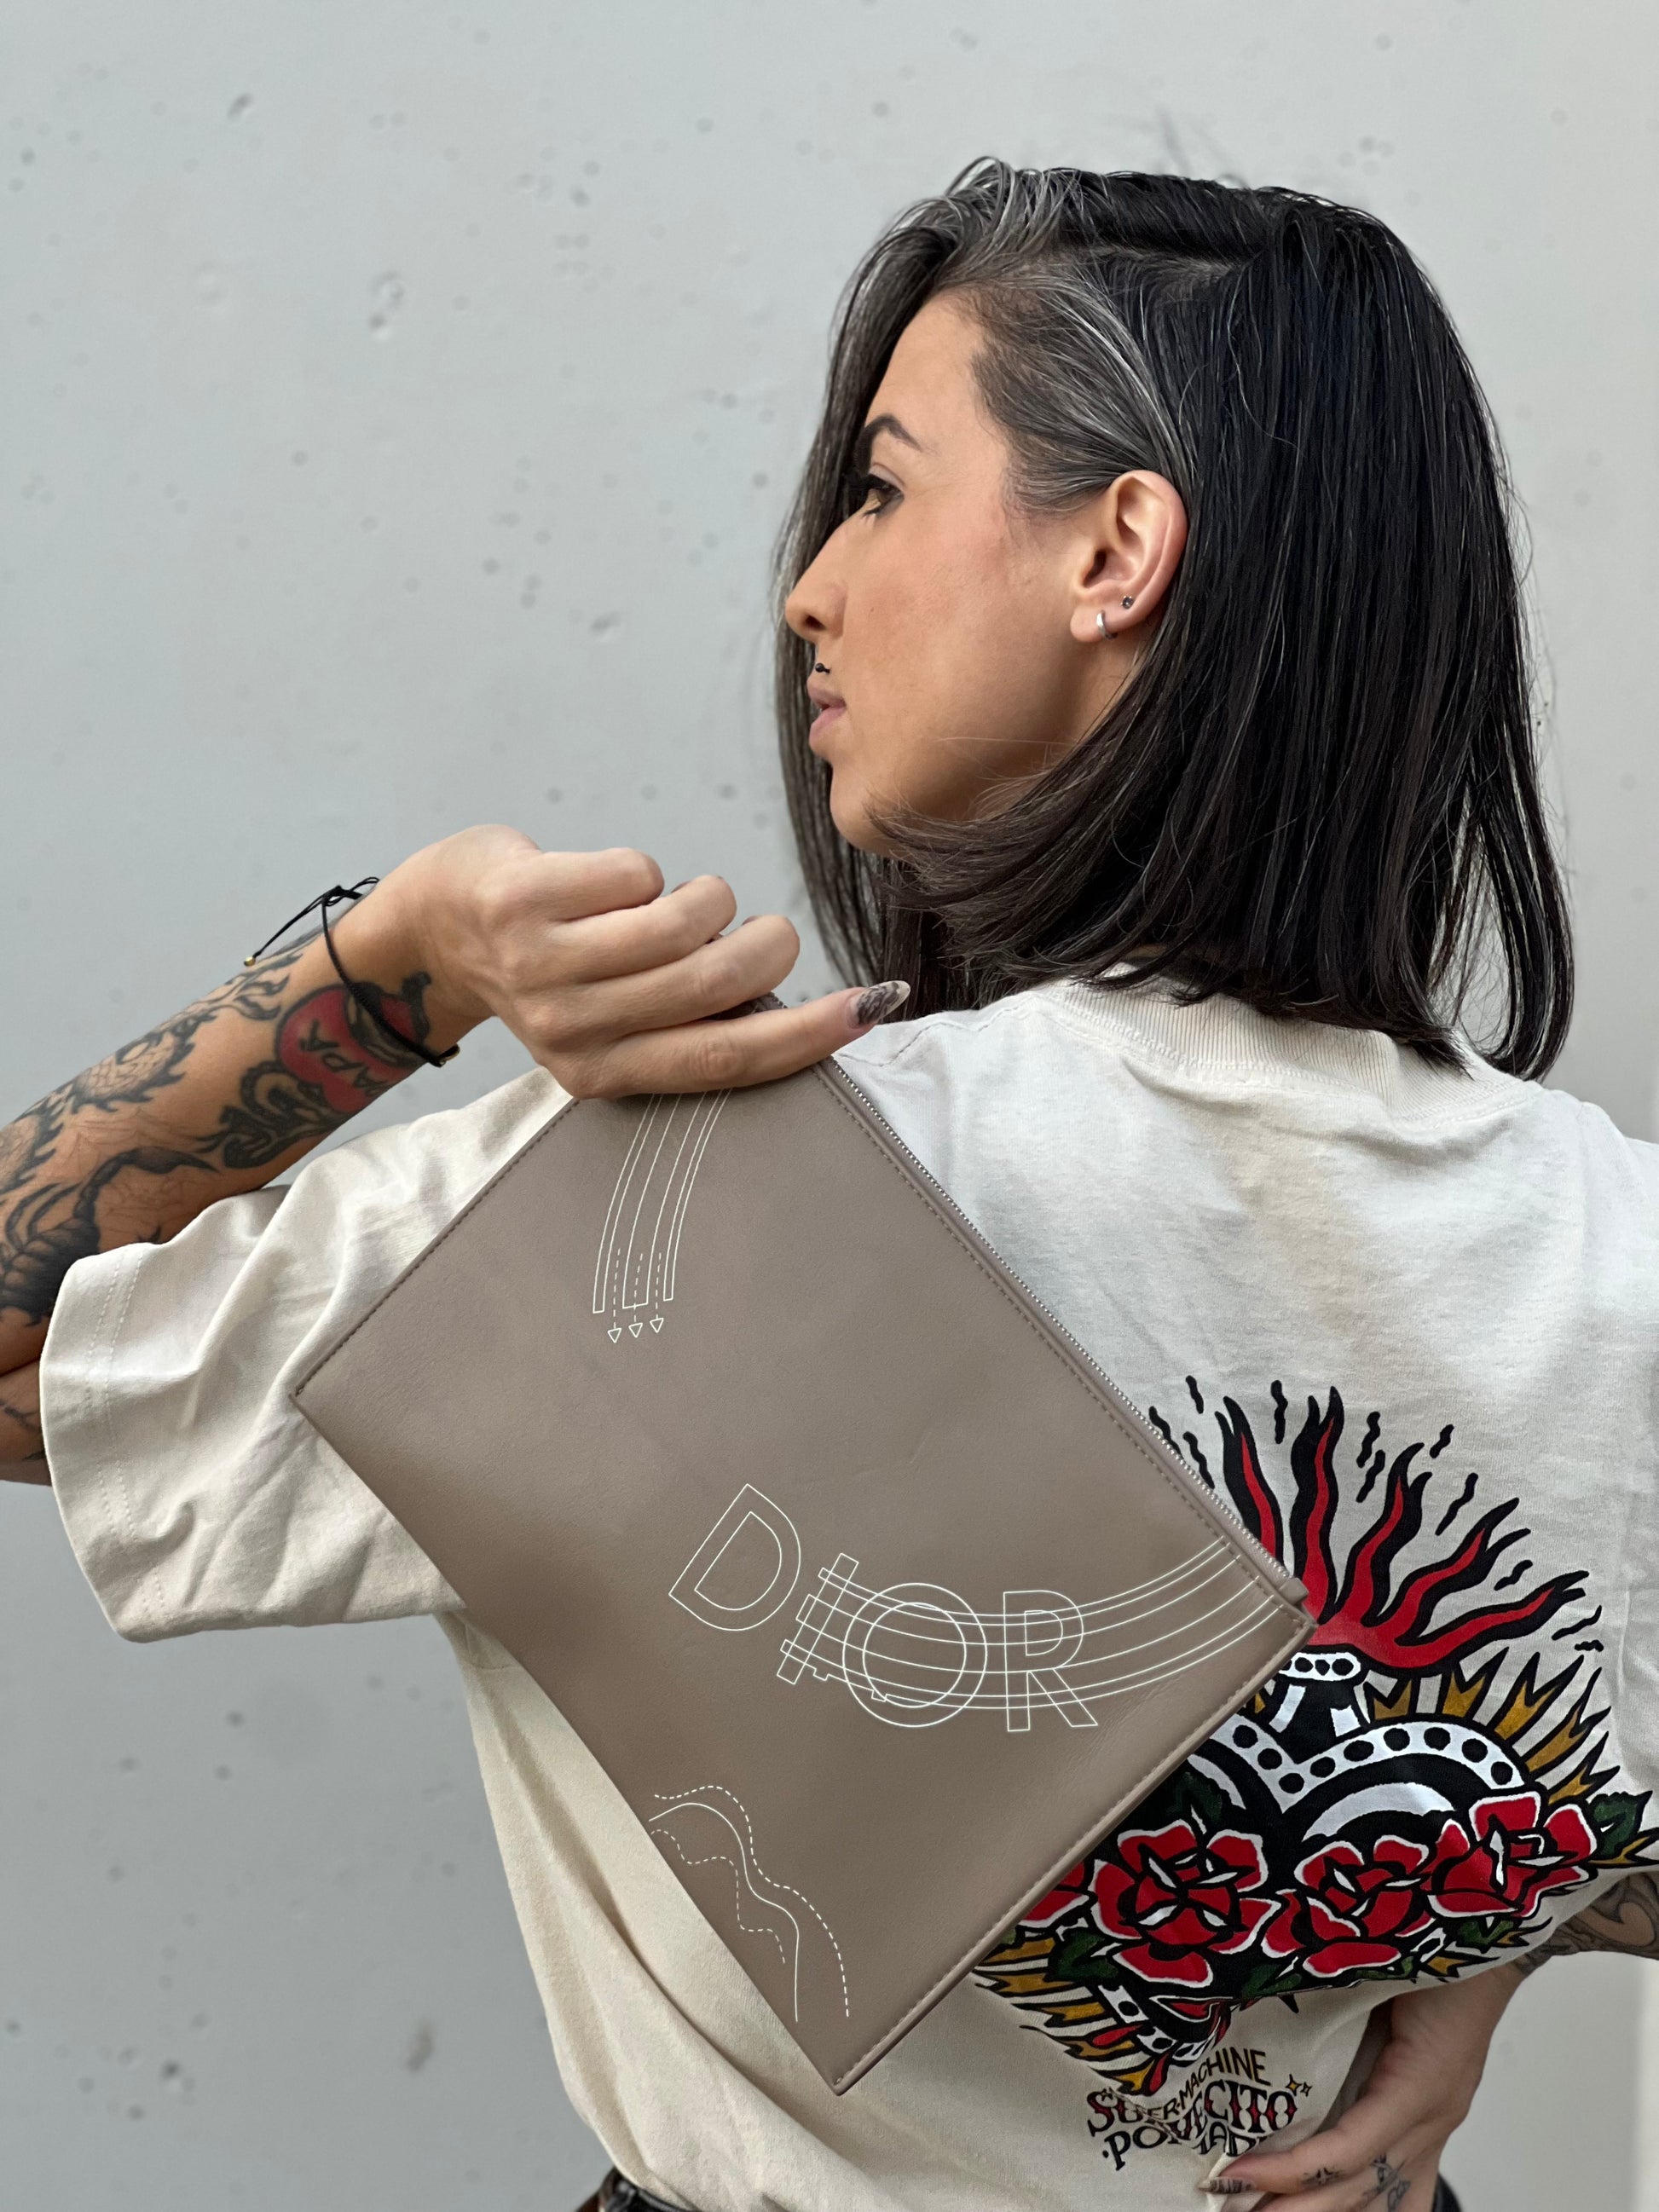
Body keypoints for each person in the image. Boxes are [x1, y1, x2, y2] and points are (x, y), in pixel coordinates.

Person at [3, 159, 1655, 2212]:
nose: (811, 587)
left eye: (882, 487)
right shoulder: (1614, 1256)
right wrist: (1488, 1932)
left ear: (1117, 549)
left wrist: (396, 962)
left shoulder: (664, 1214)